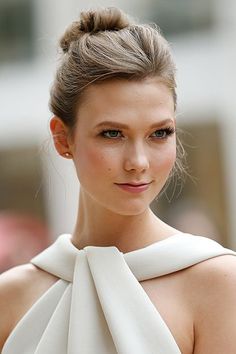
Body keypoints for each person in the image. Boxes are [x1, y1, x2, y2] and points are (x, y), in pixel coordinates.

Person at [0, 7, 236, 354]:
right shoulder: (10, 297)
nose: (138, 162)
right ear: (63, 138)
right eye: (112, 133)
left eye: (159, 133)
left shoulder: (218, 284)